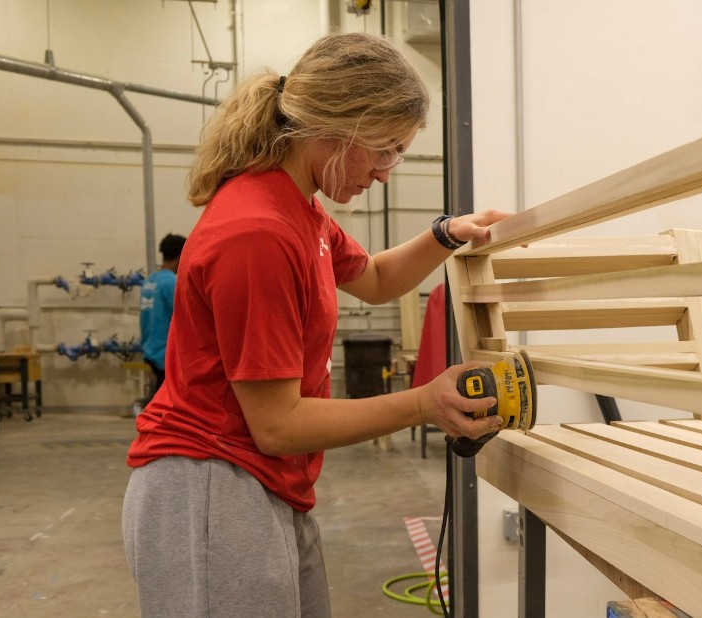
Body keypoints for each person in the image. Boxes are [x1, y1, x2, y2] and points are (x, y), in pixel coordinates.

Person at [121, 32, 510, 618]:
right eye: (384, 150)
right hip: (209, 486)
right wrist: (424, 404)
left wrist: (447, 235)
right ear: (337, 126)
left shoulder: (300, 210)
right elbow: (278, 424)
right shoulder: (258, 231)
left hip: (261, 481)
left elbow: (375, 279)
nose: (385, 174)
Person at [138, 233, 186, 404]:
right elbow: (185, 318)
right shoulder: (172, 282)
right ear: (181, 256)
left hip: (150, 349)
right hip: (165, 354)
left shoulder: (150, 281)